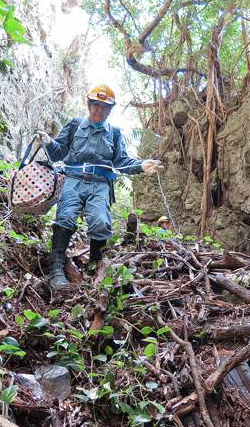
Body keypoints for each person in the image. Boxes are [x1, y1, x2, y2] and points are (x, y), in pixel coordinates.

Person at [38, 84, 163, 290]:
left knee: (101, 222)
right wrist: (49, 142)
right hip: (73, 179)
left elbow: (122, 162)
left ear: (110, 110)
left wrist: (141, 165)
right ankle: (56, 270)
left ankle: (95, 267)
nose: (100, 110)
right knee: (65, 217)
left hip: (101, 183)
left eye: (105, 107)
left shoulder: (113, 133)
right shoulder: (74, 125)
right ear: (89, 105)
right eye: (96, 105)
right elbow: (58, 154)